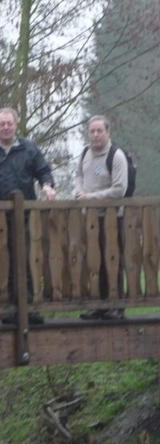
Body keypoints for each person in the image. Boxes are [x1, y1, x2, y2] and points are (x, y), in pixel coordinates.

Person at [0, 107, 56, 325]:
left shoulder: (29, 148)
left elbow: (43, 170)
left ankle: (29, 307)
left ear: (16, 125)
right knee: (5, 261)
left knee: (26, 258)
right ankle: (12, 307)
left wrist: (47, 186)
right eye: (1, 124)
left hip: (25, 215)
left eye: (9, 123)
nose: (5, 127)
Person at [76, 115, 128, 321]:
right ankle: (99, 306)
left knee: (113, 261)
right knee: (94, 263)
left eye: (100, 131)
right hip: (89, 219)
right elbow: (79, 175)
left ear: (108, 132)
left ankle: (116, 307)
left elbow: (119, 189)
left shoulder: (116, 156)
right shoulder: (85, 154)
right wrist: (79, 192)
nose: (96, 135)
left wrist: (91, 197)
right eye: (92, 131)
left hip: (112, 218)